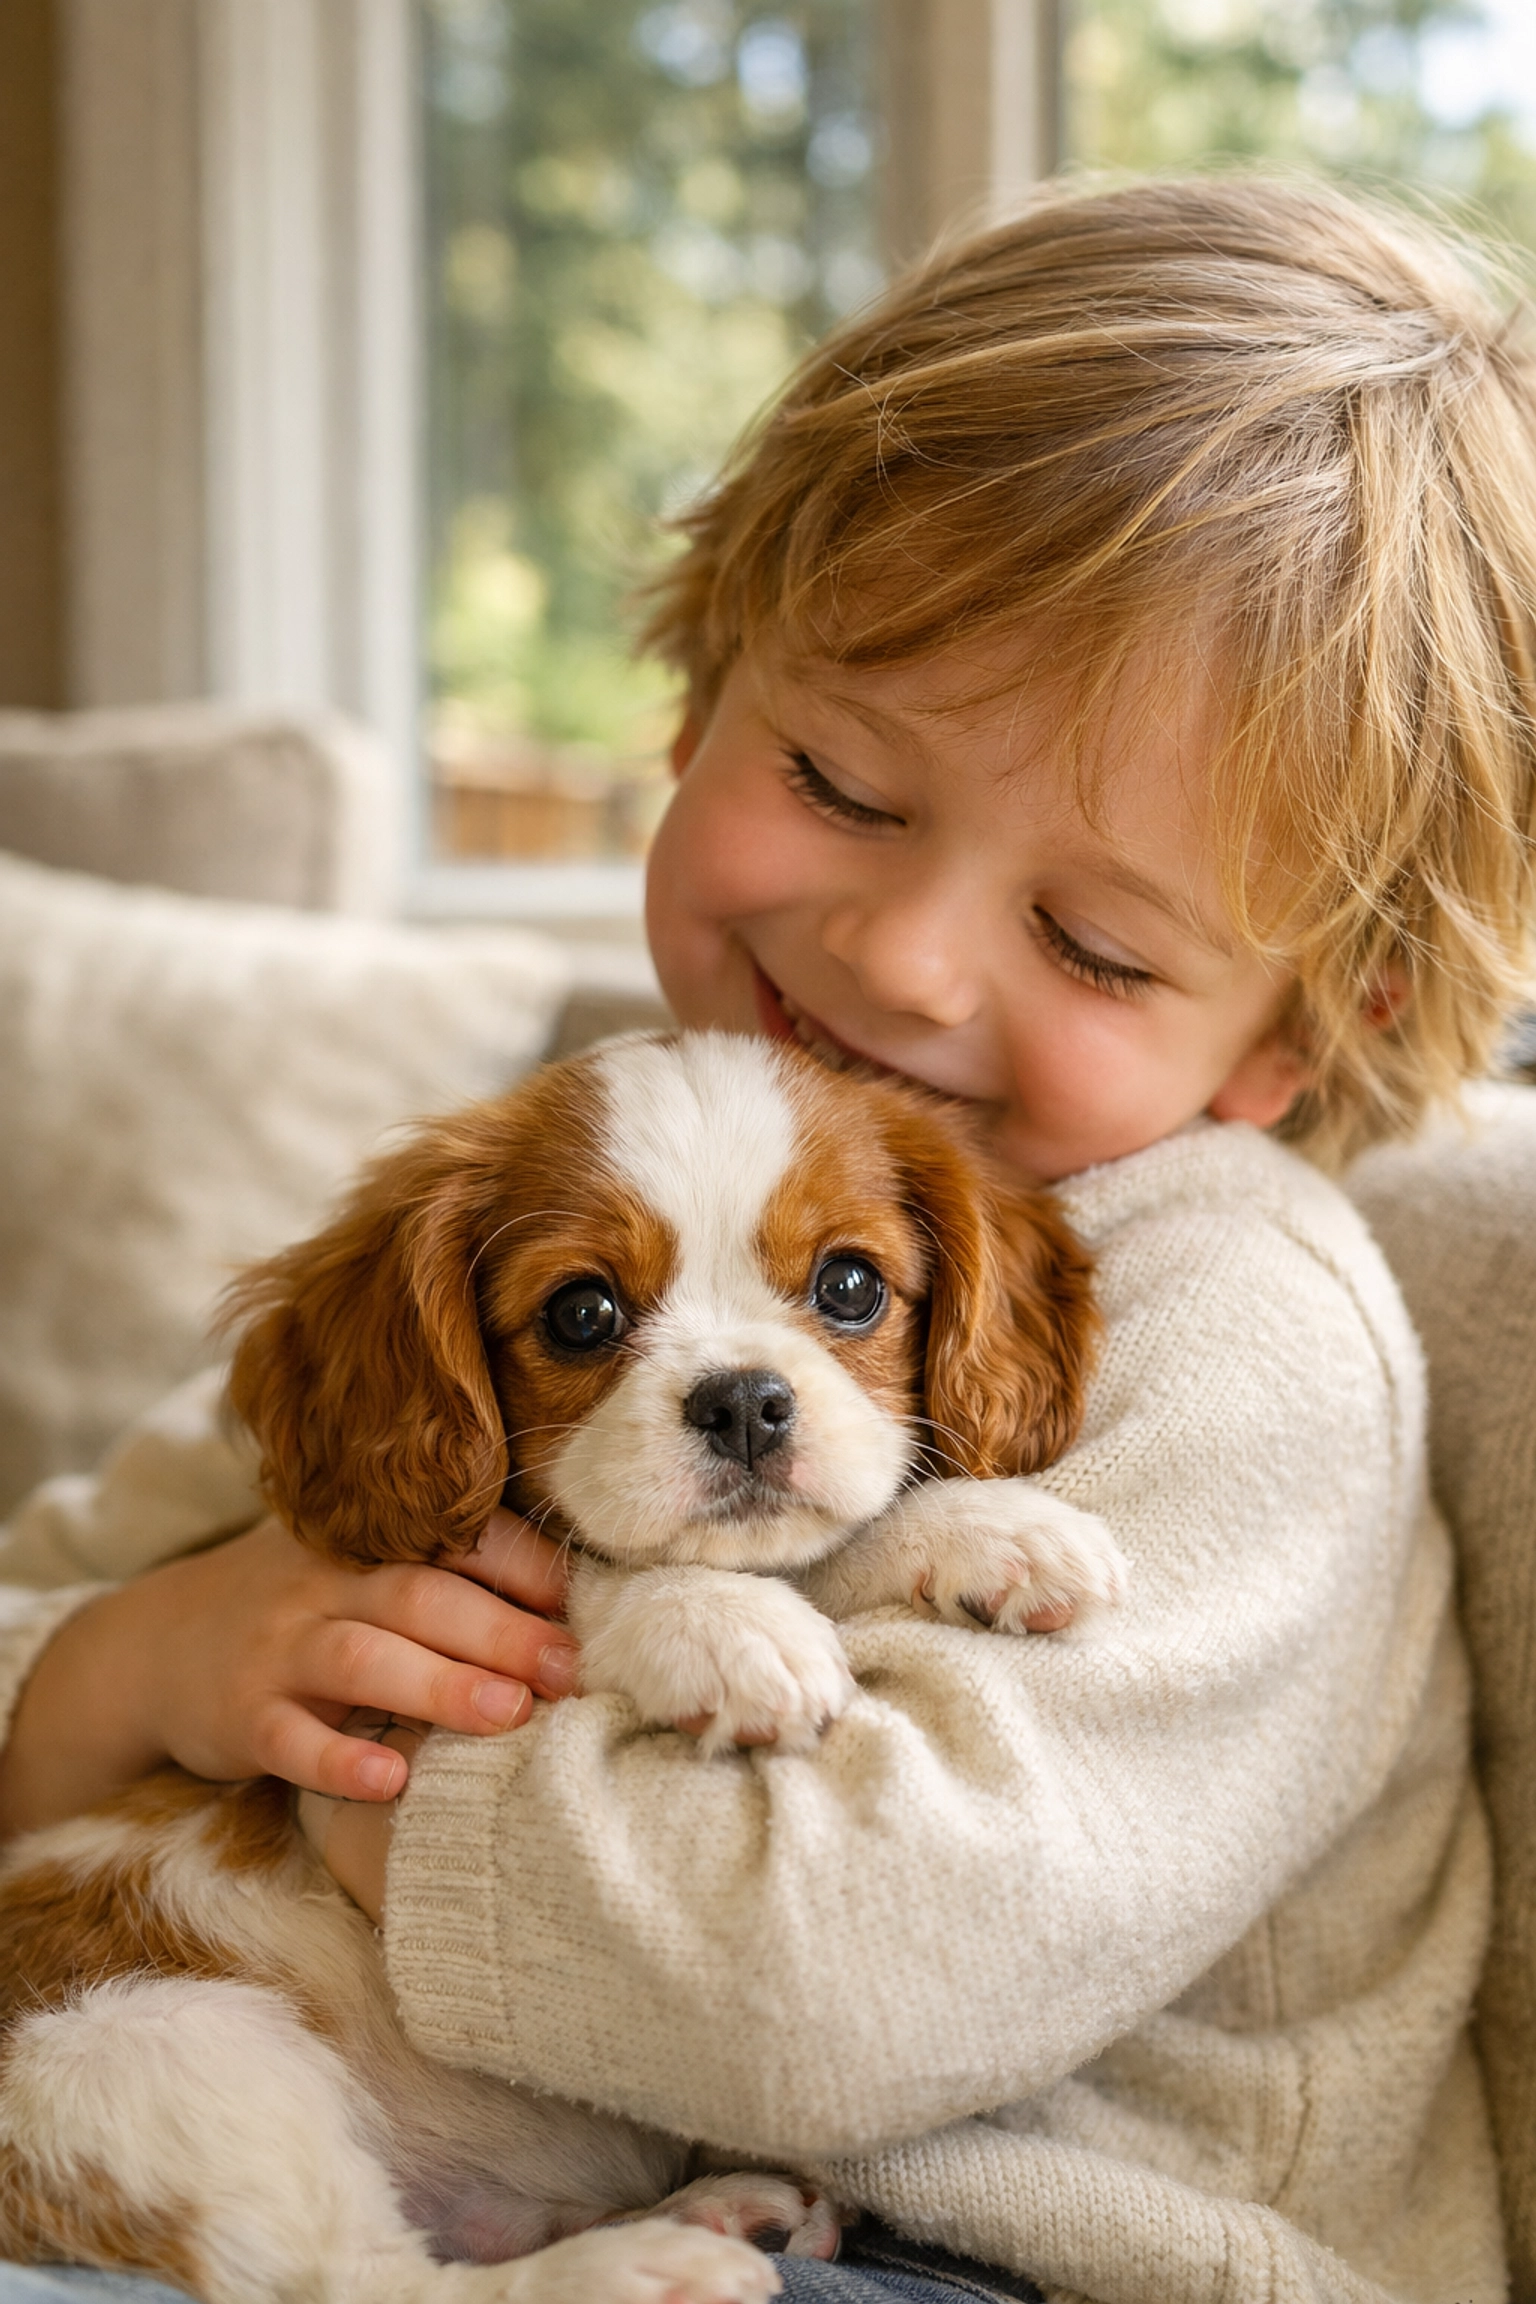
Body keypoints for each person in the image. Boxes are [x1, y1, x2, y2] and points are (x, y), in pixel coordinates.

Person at [2, 174, 1534, 2304]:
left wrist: (346, 1783)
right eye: (839, 779)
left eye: (1089, 937)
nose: (900, 958)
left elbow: (819, 1982)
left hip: (1032, 2261)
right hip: (522, 2187)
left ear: (1321, 1019)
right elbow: (56, 1589)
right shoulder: (564, 1159)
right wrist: (126, 1666)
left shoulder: (1247, 1323)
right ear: (698, 685)